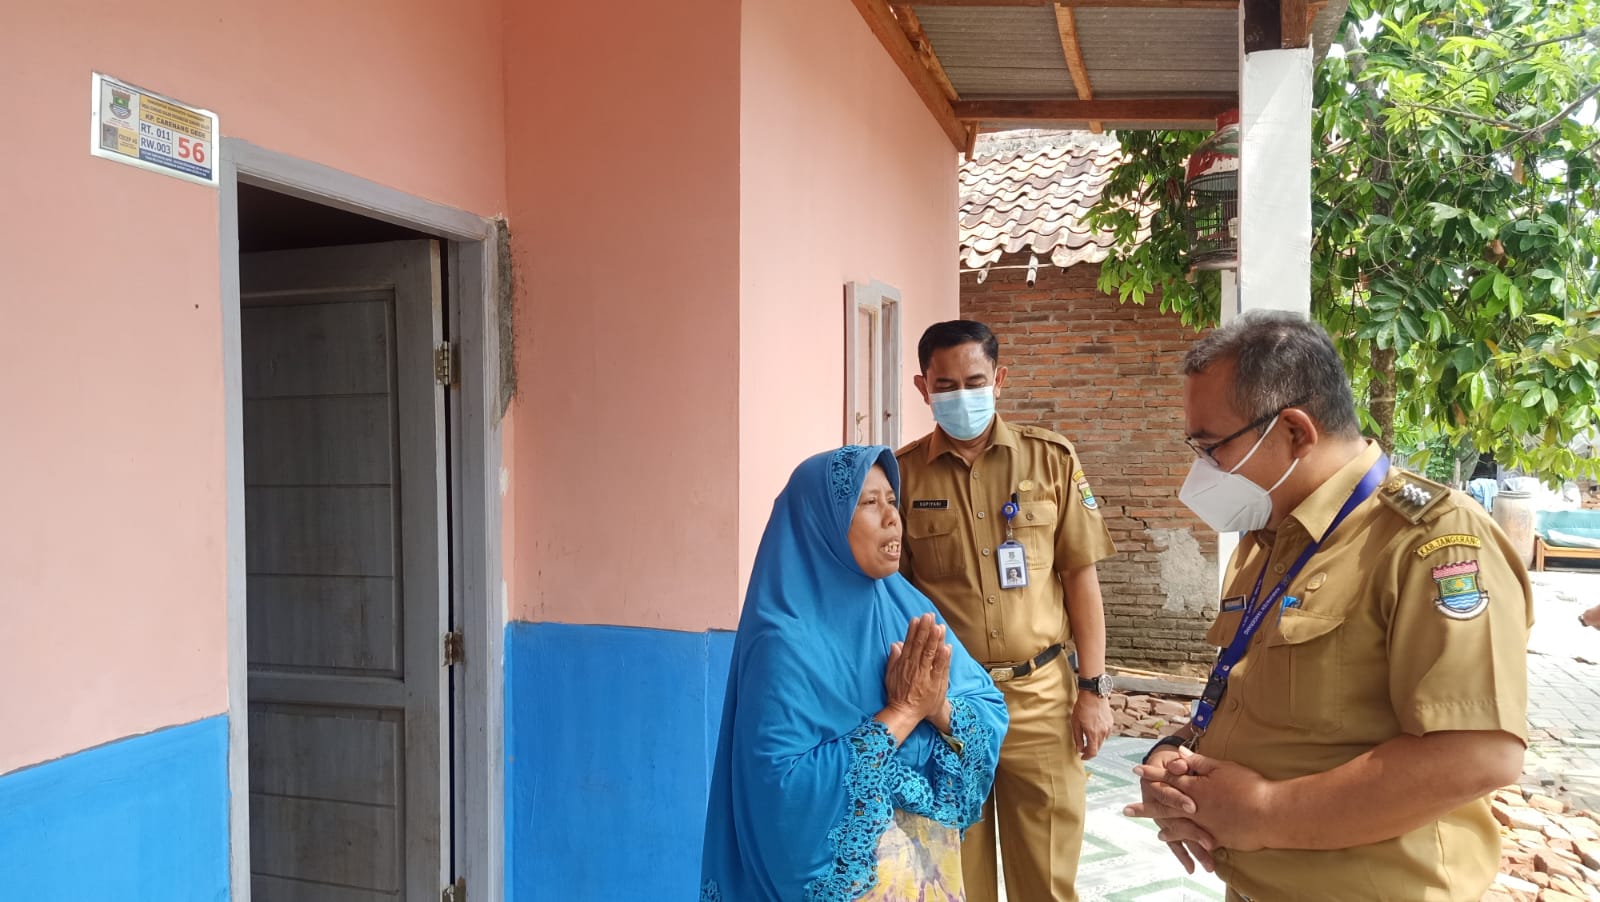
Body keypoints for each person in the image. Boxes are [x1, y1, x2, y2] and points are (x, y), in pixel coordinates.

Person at [1126, 310, 1531, 901]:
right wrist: (1177, 758)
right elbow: (1251, 696)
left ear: (1294, 431)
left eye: (1211, 446)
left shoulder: (1432, 542)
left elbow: (1478, 756)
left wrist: (1265, 811)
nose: (1201, 470)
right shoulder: (1268, 539)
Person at [700, 445, 1009, 902]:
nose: (891, 518)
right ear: (821, 521)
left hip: (923, 873)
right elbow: (782, 794)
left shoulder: (908, 606)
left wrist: (937, 707)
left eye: (892, 500)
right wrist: (903, 713)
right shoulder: (783, 642)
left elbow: (986, 708)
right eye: (868, 503)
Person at [895, 320, 1117, 902]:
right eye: (946, 385)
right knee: (958, 878)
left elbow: (1080, 578)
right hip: (949, 705)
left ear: (999, 379)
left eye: (974, 380)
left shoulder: (1051, 461)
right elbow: (890, 599)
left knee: (1045, 877)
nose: (961, 395)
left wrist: (1093, 690)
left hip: (1041, 696)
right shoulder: (901, 475)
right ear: (923, 388)